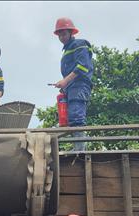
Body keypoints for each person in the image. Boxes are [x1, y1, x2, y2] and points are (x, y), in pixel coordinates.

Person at [53, 17, 93, 152]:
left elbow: (82, 67)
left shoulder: (79, 44)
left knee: (76, 115)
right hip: (71, 87)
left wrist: (65, 81)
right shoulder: (67, 50)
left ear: (71, 33)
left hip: (79, 85)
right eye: (60, 34)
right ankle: (78, 147)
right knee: (70, 118)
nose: (62, 37)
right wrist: (65, 85)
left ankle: (80, 149)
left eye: (64, 34)